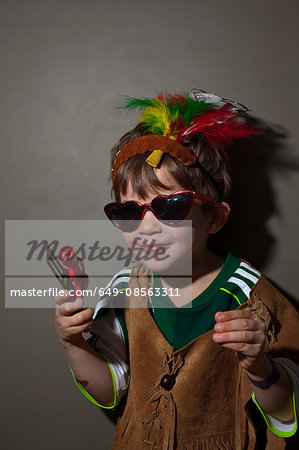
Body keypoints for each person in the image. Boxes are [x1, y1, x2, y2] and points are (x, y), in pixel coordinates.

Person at [55, 89, 299, 449]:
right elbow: (111, 391)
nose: (148, 226)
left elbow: (286, 414)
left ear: (214, 217)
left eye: (170, 207)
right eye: (129, 213)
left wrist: (260, 366)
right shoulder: (124, 291)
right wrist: (72, 343)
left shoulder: (252, 297)